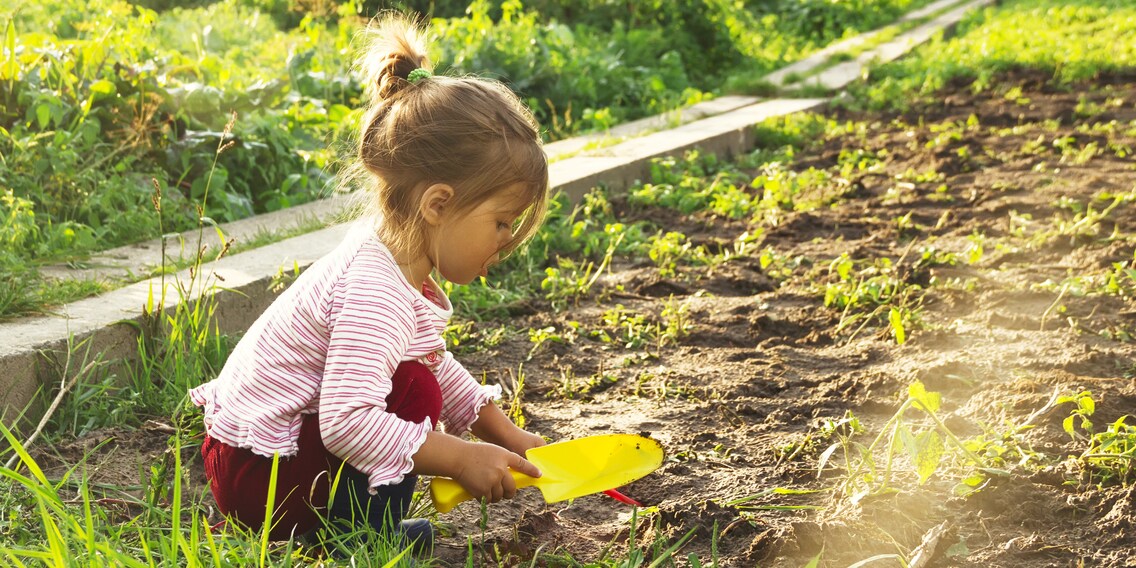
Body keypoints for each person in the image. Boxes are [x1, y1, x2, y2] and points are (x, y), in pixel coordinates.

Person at [189, 13, 549, 552]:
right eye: (501, 222)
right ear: (438, 204)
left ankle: (344, 527)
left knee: (414, 378)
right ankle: (355, 540)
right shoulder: (374, 289)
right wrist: (458, 456)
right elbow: (346, 422)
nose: (506, 241)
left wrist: (503, 435)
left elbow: (430, 357)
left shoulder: (395, 261)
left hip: (262, 463)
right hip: (261, 476)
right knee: (412, 391)